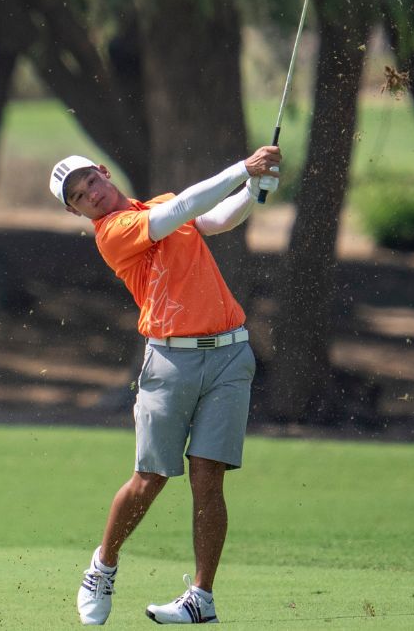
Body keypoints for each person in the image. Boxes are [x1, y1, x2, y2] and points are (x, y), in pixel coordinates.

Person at [49, 147, 281, 625]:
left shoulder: (157, 206)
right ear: (75, 212)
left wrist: (254, 193)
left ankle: (202, 597)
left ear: (103, 172)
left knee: (207, 476)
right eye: (78, 197)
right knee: (151, 477)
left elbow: (213, 220)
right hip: (170, 360)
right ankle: (103, 566)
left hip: (230, 354)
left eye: (90, 181)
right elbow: (185, 210)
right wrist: (242, 169)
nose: (90, 194)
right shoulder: (112, 233)